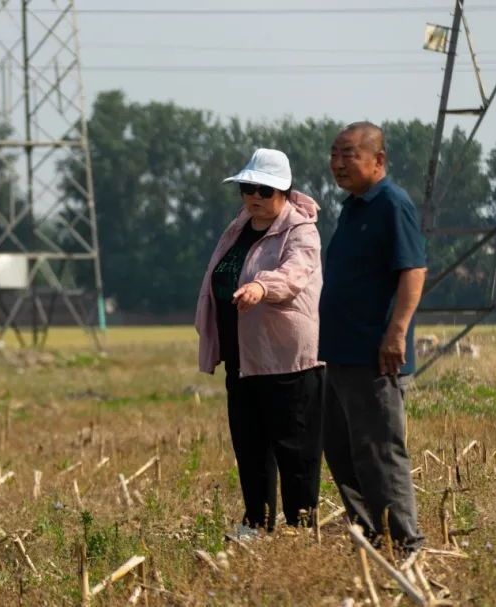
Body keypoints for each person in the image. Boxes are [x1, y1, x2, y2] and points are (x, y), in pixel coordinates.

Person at [195, 148, 325, 534]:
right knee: (250, 446)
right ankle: (255, 523)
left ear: (284, 191)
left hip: (288, 361)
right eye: (247, 189)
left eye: (264, 190)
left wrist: (260, 286)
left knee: (295, 449)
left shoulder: (301, 231)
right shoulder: (238, 228)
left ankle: (301, 528)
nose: (254, 197)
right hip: (242, 358)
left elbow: (294, 274)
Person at [321, 122, 427, 553]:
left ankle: (406, 545)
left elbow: (413, 271)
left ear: (378, 160)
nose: (338, 163)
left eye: (349, 154)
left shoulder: (391, 204)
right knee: (342, 450)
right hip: (340, 353)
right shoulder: (353, 207)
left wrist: (396, 334)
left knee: (380, 452)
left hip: (374, 355)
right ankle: (370, 538)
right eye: (334, 154)